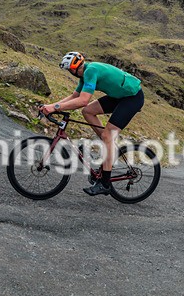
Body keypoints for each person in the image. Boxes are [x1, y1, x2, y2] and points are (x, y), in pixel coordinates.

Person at [40, 51, 144, 196]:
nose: (69, 72)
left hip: (132, 97)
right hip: (119, 96)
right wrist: (51, 106)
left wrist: (55, 108)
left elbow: (83, 101)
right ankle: (107, 143)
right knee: (88, 111)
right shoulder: (85, 74)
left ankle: (105, 184)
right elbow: (74, 96)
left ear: (75, 68)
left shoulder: (91, 70)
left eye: (69, 69)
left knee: (107, 135)